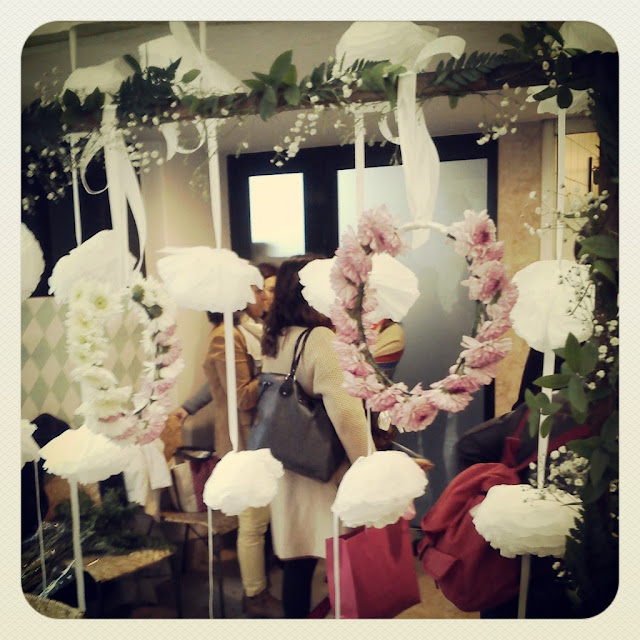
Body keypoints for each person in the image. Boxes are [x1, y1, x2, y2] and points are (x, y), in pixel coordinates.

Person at [261, 255, 371, 618]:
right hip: (322, 471)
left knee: (298, 562)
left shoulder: (276, 338)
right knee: (341, 559)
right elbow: (346, 414)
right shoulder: (319, 339)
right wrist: (368, 466)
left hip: (288, 464)